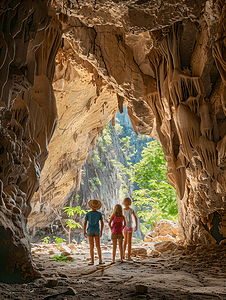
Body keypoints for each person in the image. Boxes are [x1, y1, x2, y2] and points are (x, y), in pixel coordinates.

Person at [84, 199, 104, 265]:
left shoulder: (88, 213)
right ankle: (100, 260)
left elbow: (85, 223)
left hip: (90, 230)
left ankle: (92, 261)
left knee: (91, 246)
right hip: (97, 230)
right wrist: (101, 231)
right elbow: (102, 223)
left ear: (91, 206)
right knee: (98, 246)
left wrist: (84, 231)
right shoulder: (99, 214)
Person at [123, 197, 138, 261]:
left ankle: (123, 255)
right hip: (129, 227)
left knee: (125, 241)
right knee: (129, 242)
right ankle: (128, 256)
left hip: (124, 227)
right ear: (130, 203)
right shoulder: (131, 210)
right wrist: (136, 226)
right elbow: (135, 218)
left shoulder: (122, 210)